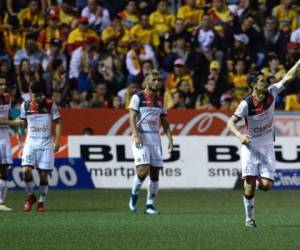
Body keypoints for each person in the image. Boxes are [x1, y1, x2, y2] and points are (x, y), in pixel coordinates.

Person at [227, 59, 300, 228]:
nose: (265, 82)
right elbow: (230, 122)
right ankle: (249, 218)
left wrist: (298, 63)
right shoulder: (246, 103)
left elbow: (288, 78)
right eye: (261, 80)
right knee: (250, 186)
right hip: (250, 147)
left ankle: (251, 182)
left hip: (267, 146)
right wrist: (239, 135)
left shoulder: (272, 92)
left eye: (264, 79)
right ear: (253, 85)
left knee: (266, 186)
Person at [0, 81, 62, 212]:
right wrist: (16, 130)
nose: (36, 99)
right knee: (26, 171)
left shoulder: (51, 105)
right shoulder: (26, 105)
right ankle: (30, 196)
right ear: (31, 94)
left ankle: (41, 202)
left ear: (42, 95)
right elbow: (23, 122)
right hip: (31, 142)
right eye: (34, 96)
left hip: (45, 143)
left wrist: (57, 141)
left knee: (43, 175)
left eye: (39, 96)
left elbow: (58, 123)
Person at [128, 70, 173, 215]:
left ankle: (149, 205)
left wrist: (170, 138)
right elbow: (132, 117)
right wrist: (136, 134)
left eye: (159, 80)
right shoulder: (137, 97)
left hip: (155, 138)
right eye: (153, 79)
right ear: (146, 81)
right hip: (141, 136)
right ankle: (134, 194)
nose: (157, 82)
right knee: (143, 170)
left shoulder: (160, 100)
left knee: (155, 173)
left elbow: (164, 120)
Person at [0, 77, 16, 211]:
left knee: (5, 168)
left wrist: (18, 130)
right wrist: (14, 124)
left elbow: (8, 115)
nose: (3, 86)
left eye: (4, 83)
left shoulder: (7, 98)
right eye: (0, 84)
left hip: (5, 136)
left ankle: (1, 202)